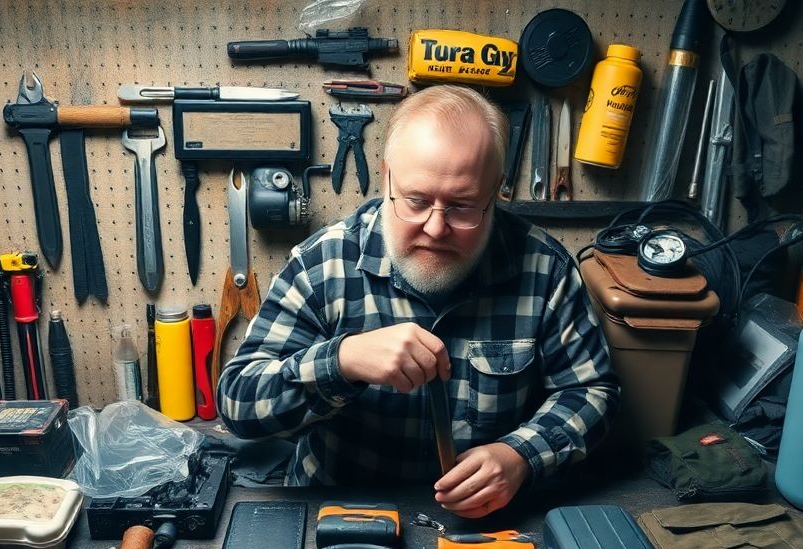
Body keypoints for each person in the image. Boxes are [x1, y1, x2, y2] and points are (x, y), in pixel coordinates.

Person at [218, 85, 619, 517]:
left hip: (490, 526)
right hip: (338, 514)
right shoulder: (325, 264)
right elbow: (239, 401)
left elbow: (592, 391)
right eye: (417, 200)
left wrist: (522, 456)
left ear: (496, 192)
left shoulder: (545, 269)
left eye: (463, 206)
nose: (435, 227)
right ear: (388, 175)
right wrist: (342, 361)